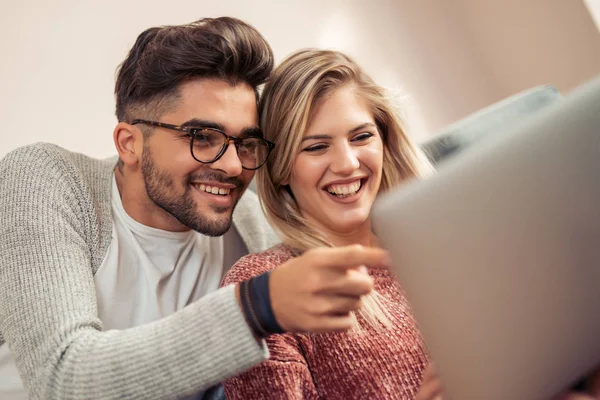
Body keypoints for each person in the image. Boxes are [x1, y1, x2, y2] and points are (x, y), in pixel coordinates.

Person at [0, 18, 390, 400]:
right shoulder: (48, 180)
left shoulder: (250, 228)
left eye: (245, 143)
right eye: (203, 137)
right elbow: (61, 379)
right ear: (129, 143)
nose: (234, 166)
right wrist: (257, 305)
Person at [221, 49, 434, 399]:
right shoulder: (263, 287)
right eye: (317, 147)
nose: (347, 164)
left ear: (385, 141)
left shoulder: (442, 247)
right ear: (282, 168)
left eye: (362, 137)